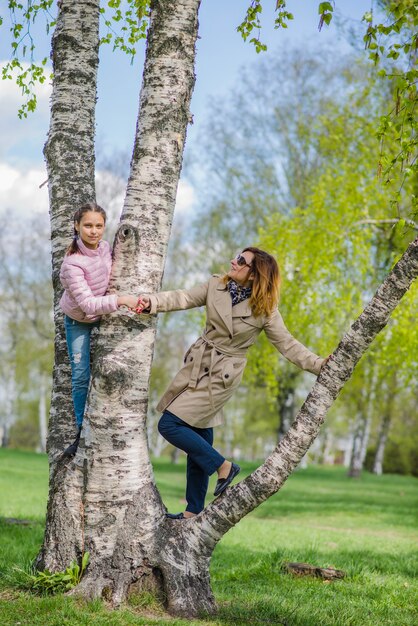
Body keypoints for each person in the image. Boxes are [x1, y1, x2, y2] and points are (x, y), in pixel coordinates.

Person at [136, 247, 327, 519]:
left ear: (254, 274)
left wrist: (319, 364)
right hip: (198, 364)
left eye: (240, 261)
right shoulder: (216, 285)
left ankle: (223, 466)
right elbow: (183, 297)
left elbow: (287, 344)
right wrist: (150, 302)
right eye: (236, 257)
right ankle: (193, 512)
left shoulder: (265, 309)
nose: (232, 262)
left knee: (170, 424)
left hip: (222, 376)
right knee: (198, 436)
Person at [60, 203, 139, 457]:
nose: (94, 231)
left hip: (104, 315)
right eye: (88, 225)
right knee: (81, 374)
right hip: (79, 320)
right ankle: (82, 432)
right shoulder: (72, 264)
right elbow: (87, 304)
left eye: (98, 226)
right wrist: (121, 300)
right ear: (77, 226)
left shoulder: (105, 248)